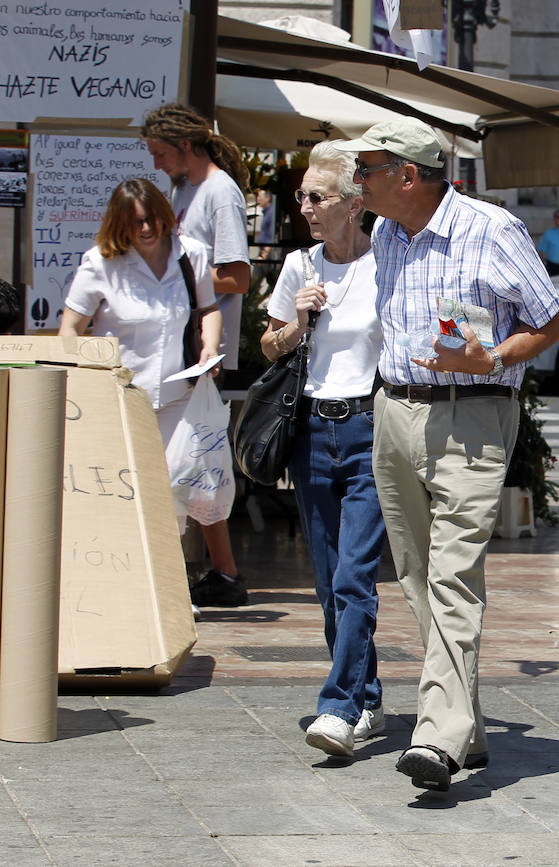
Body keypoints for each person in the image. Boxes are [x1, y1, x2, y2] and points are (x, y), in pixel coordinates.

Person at [337, 118, 559, 792]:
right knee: (415, 574)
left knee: (453, 575)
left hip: (472, 417)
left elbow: (550, 320)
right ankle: (464, 718)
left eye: (368, 169)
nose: (359, 181)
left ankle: (436, 739)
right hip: (395, 409)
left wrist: (491, 354)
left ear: (408, 176)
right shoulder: (385, 233)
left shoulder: (491, 230)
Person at [260, 142, 386, 759]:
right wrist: (298, 324)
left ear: (354, 203)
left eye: (317, 196)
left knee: (354, 577)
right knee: (325, 581)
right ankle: (366, 694)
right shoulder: (300, 266)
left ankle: (338, 705)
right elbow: (267, 347)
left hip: (370, 428)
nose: (304, 205)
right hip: (311, 430)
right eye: (302, 196)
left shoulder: (387, 261)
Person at [142, 102, 253, 608]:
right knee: (194, 459)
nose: (158, 165)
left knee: (191, 458)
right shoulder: (184, 189)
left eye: (161, 154)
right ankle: (220, 570)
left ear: (186, 145)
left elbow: (238, 275)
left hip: (202, 349)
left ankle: (210, 568)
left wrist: (173, 284)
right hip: (177, 344)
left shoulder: (220, 192)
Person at [58, 179, 223, 483]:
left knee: (173, 487)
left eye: (152, 219)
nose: (146, 228)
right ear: (120, 224)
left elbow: (209, 308)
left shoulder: (191, 255)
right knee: (124, 486)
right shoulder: (101, 262)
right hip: (118, 398)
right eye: (136, 223)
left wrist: (208, 347)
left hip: (178, 396)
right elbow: (70, 328)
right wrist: (80, 379)